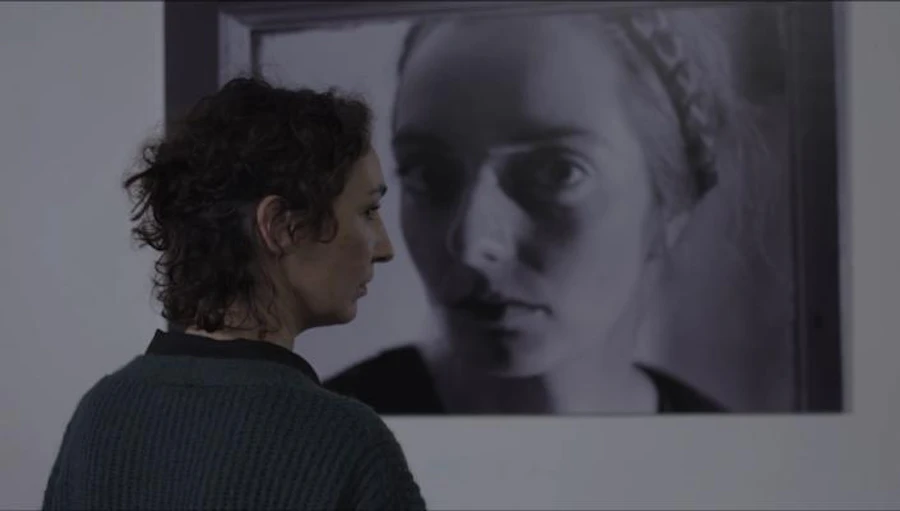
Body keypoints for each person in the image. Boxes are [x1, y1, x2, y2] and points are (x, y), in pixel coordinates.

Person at [326, 8, 793, 414]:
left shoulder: (730, 455)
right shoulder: (320, 436)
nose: (471, 244)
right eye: (428, 173)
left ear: (671, 206)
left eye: (558, 172)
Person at [42, 77, 427, 510]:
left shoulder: (100, 415)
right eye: (368, 211)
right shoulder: (345, 443)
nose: (385, 248)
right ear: (281, 226)